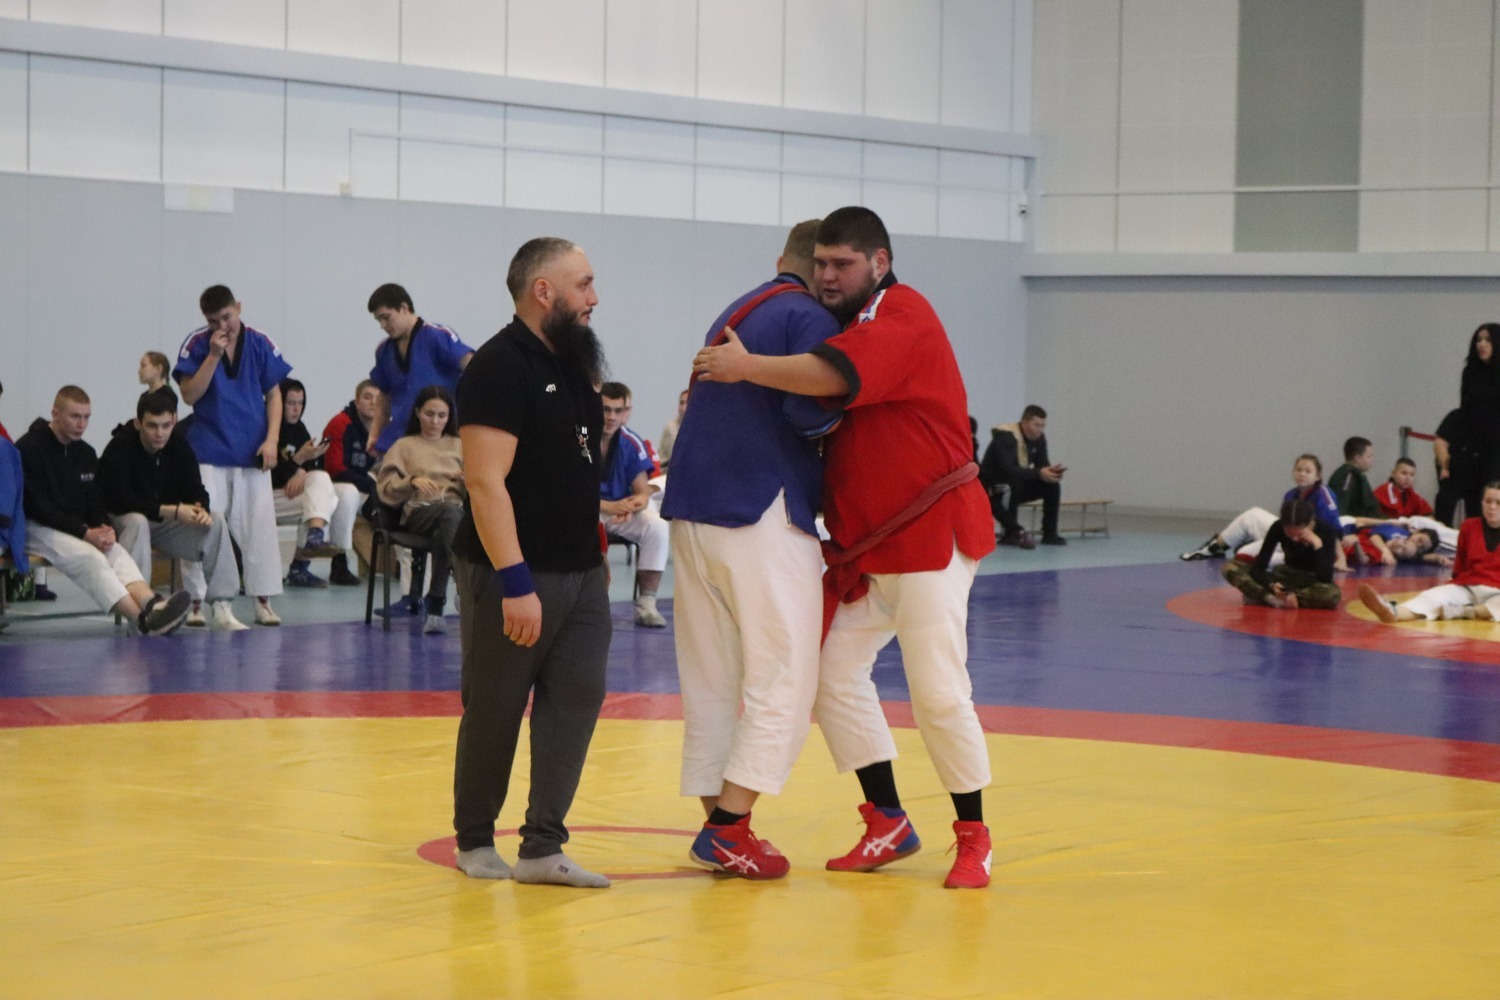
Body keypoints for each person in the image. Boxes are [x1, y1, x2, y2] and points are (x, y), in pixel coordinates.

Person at [693, 206, 997, 890]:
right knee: (828, 674)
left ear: (879, 263)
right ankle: (887, 819)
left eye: (843, 264)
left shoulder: (904, 314)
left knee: (939, 692)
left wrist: (745, 366)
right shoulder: (854, 323)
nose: (828, 276)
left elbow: (833, 378)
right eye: (821, 264)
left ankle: (975, 836)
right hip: (870, 550)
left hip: (929, 538)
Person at [661, 219, 842, 880]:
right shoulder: (808, 317)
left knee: (710, 677)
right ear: (822, 268)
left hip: (692, 509)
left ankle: (722, 828)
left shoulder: (737, 310)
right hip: (760, 508)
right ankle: (728, 829)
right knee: (786, 674)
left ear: (780, 258)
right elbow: (813, 412)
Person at [448, 237, 612, 889]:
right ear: (544, 291)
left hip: (582, 571)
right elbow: (484, 483)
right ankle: (474, 839)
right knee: (496, 704)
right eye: (584, 283)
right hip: (513, 573)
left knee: (576, 701)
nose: (595, 297)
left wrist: (594, 558)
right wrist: (516, 583)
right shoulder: (498, 365)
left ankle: (544, 846)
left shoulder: (574, 361)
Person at [16, 386, 192, 634]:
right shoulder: (29, 449)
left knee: (115, 551)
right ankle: (142, 621)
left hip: (77, 528)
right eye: (75, 416)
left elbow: (95, 500)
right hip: (37, 527)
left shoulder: (86, 453)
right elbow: (39, 507)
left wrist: (102, 527)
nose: (82, 424)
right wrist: (85, 532)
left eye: (86, 417)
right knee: (90, 558)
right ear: (55, 414)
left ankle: (153, 604)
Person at [173, 285, 290, 626]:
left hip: (252, 450)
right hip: (208, 451)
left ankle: (262, 600)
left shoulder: (261, 343)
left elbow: (274, 395)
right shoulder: (197, 344)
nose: (223, 326)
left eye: (227, 316)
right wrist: (212, 356)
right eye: (214, 321)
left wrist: (272, 440)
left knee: (259, 529)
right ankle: (197, 601)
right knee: (205, 525)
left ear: (238, 307)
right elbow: (189, 396)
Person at [100, 390, 248, 630]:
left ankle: (222, 606)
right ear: (138, 423)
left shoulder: (178, 445)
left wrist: (200, 509)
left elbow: (196, 489)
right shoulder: (120, 446)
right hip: (124, 523)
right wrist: (171, 511)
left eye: (166, 425)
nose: (160, 433)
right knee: (137, 521)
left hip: (164, 525)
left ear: (174, 422)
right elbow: (118, 499)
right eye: (152, 426)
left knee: (216, 521)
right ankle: (142, 611)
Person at [375, 386, 465, 635]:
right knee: (450, 515)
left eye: (441, 416)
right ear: (417, 413)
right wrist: (412, 481)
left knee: (446, 528)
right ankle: (460, 581)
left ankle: (435, 607)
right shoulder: (404, 446)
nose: (435, 421)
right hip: (419, 512)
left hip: (455, 512)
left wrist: (465, 482)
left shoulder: (460, 445)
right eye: (429, 414)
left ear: (449, 417)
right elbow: (385, 488)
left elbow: (479, 489)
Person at [1360, 482, 1500, 623]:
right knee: (1431, 597)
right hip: (1468, 586)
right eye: (1488, 501)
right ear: (1482, 503)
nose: (1492, 507)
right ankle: (1394, 612)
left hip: (1497, 592)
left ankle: (1467, 611)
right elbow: (1460, 565)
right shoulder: (1469, 526)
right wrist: (1452, 586)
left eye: (1498, 503)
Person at [1181, 454, 1347, 570]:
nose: (1302, 474)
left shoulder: (1324, 496)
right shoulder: (1290, 495)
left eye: (1308, 471)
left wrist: (1340, 558)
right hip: (1289, 541)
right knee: (1250, 521)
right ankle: (1214, 547)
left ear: (1318, 476)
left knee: (1249, 557)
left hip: (1310, 549)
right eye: (1299, 470)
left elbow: (1332, 531)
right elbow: (1283, 528)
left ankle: (1257, 548)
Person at [365, 284, 475, 457]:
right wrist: (375, 433)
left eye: (386, 317)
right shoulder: (384, 351)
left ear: (404, 307)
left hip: (440, 439)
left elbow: (474, 367)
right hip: (399, 440)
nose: (383, 325)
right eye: (379, 320)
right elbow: (384, 397)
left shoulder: (436, 335)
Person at [271, 379, 360, 588]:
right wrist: (298, 461)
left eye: (300, 403)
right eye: (291, 403)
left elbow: (313, 467)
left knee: (346, 492)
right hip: (270, 496)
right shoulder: (267, 429)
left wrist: (302, 470)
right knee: (321, 493)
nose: (296, 409)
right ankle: (312, 544)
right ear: (279, 403)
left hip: (295, 495)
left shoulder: (299, 429)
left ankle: (336, 553)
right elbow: (266, 474)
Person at [597, 382, 670, 627]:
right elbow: (570, 492)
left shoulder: (631, 442)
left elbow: (641, 493)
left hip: (620, 512)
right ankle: (594, 605)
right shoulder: (578, 438)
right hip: (588, 510)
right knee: (587, 524)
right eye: (606, 409)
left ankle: (647, 603)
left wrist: (631, 507)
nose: (611, 417)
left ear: (626, 412)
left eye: (618, 411)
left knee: (656, 526)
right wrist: (608, 508)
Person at [1220, 499, 1342, 610]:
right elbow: (1259, 567)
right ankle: (1269, 598)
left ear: (1310, 523)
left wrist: (1317, 544)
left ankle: (1279, 598)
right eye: (1289, 534)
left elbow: (1326, 578)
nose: (1294, 539)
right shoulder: (1277, 527)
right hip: (1285, 575)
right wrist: (1272, 585)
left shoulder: (1326, 531)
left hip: (1311, 580)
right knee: (1230, 567)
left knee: (1332, 595)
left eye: (1300, 534)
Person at [980, 405, 1067, 548]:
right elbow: (1007, 469)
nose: (1040, 430)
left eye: (1043, 426)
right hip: (993, 484)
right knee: (1012, 485)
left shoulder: (1039, 438)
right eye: (1037, 425)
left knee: (1052, 486)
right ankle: (1010, 532)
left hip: (1016, 481)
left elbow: (1042, 465)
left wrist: (1050, 473)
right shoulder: (1006, 436)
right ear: (1025, 423)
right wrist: (1039, 473)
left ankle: (1050, 534)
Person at [1434, 407, 1481, 526]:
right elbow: (1440, 442)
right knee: (1445, 501)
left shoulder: (1491, 419)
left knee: (1478, 511)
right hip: (1453, 470)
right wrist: (1445, 466)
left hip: (1479, 474)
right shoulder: (1456, 416)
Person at [1328, 437, 1381, 518]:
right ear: (1358, 458)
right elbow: (1341, 510)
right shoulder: (1347, 475)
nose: (1372, 460)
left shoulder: (1355, 475)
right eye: (1369, 456)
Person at [657, 389, 689, 469]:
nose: (683, 408)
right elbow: (679, 458)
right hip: (666, 472)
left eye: (688, 403)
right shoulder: (671, 428)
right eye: (681, 403)